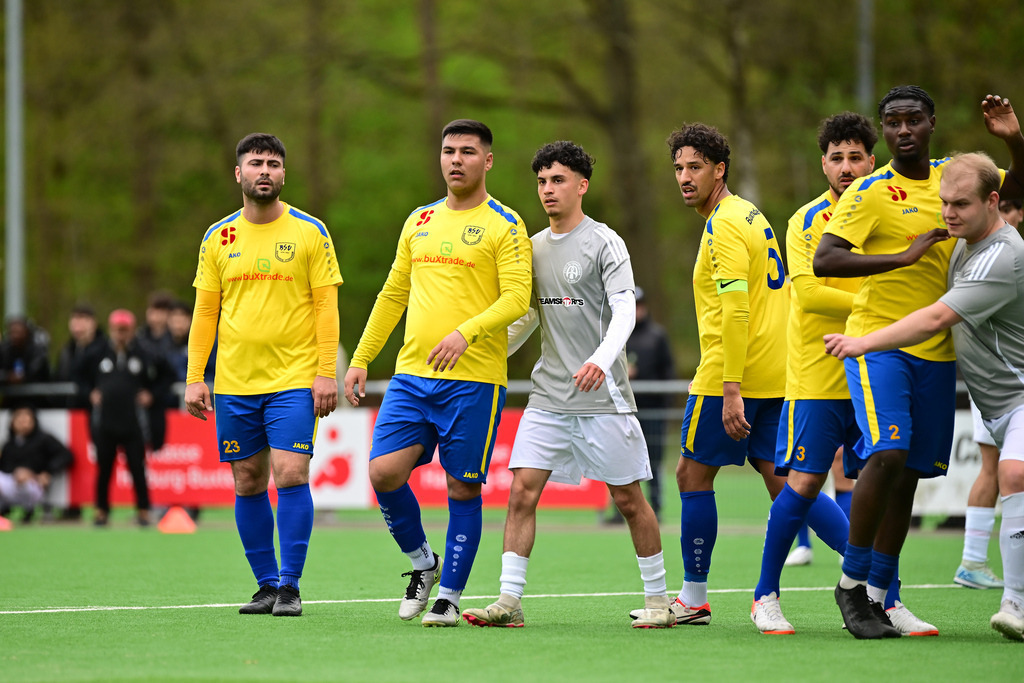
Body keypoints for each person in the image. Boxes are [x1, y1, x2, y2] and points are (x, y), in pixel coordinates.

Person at [814, 88, 1024, 639]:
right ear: (883, 130)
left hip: (936, 353)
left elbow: (1012, 190)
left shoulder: (953, 177)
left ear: (932, 123)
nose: (903, 130)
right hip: (877, 343)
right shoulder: (869, 191)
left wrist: (1014, 142)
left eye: (913, 120)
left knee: (910, 475)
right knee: (888, 451)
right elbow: (826, 258)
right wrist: (902, 256)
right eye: (892, 122)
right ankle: (851, 585)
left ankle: (883, 595)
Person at [461, 141, 673, 629]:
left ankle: (660, 601)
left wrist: (601, 359)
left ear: (582, 185)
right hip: (548, 397)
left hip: (604, 398)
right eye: (541, 181)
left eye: (558, 180)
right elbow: (525, 319)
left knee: (628, 500)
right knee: (521, 493)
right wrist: (483, 355)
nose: (548, 190)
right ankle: (508, 602)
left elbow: (623, 311)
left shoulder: (605, 242)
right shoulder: (530, 247)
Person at [656, 122, 846, 627]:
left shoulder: (723, 223)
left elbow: (736, 309)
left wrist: (730, 387)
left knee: (692, 474)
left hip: (732, 372)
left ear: (720, 169)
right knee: (790, 485)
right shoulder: (749, 213)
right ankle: (876, 576)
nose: (684, 176)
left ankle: (693, 598)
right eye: (678, 167)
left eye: (695, 166)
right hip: (777, 370)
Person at [344, 119, 532, 627]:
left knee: (462, 487)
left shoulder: (505, 224)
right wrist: (361, 358)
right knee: (383, 471)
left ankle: (449, 594)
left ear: (487, 161)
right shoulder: (419, 220)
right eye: (448, 151)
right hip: (411, 376)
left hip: (474, 379)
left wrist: (465, 332)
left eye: (467, 152)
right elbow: (393, 295)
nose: (456, 160)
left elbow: (517, 297)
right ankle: (422, 564)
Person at [184, 132, 343, 617]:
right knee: (247, 480)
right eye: (256, 163)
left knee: (291, 473)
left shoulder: (310, 232)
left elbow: (325, 306)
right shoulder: (218, 237)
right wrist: (195, 375)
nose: (265, 171)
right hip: (234, 384)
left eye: (274, 163)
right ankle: (266, 585)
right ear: (239, 174)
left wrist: (324, 372)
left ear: (283, 174)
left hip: (294, 381)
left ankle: (291, 586)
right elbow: (205, 312)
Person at [752, 112, 884, 635]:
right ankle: (765, 595)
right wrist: (881, 309)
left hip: (881, 370)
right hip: (819, 373)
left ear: (872, 161)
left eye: (856, 157)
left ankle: (885, 600)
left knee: (882, 482)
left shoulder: (891, 213)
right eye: (837, 158)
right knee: (804, 482)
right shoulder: (807, 220)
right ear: (823, 164)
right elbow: (806, 293)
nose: (847, 167)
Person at [955, 196, 1024, 590]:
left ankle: (972, 561)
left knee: (1000, 470)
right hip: (1004, 385)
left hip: (994, 384)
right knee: (997, 469)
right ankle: (973, 562)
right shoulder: (994, 252)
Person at [81, 309, 160, 527]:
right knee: (104, 468)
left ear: (132, 330)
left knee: (137, 467)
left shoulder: (144, 353)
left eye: (125, 330)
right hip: (105, 422)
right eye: (117, 330)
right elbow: (78, 376)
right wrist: (89, 392)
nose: (121, 334)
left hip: (133, 422)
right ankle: (101, 510)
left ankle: (143, 510)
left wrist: (151, 394)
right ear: (110, 329)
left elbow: (165, 376)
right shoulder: (96, 353)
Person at [626, 286, 675, 520]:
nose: (636, 311)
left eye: (639, 306)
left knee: (653, 459)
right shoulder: (619, 334)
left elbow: (668, 372)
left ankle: (655, 506)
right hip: (625, 409)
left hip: (652, 409)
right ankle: (622, 508)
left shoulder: (657, 336)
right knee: (622, 459)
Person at [0, 406, 73, 522]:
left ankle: (29, 510)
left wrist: (47, 472)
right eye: (19, 419)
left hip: (34, 484)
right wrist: (16, 473)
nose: (22, 422)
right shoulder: (9, 444)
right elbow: (4, 467)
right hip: (12, 484)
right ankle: (3, 511)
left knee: (27, 485)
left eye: (26, 419)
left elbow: (65, 455)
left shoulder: (43, 439)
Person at [53, 303, 108, 409]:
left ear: (93, 323)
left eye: (83, 322)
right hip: (70, 410)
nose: (78, 328)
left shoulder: (106, 349)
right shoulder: (67, 351)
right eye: (75, 322)